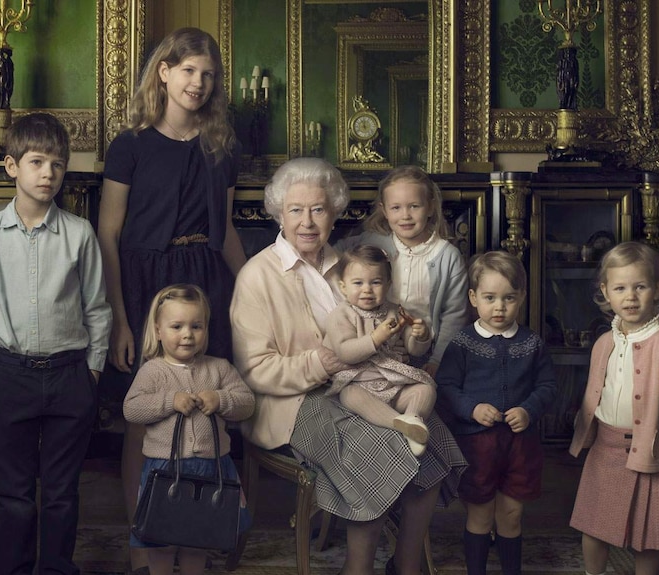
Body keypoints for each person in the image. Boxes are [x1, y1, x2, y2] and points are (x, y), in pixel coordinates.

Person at [230, 157, 467, 575]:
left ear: (334, 213)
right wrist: (318, 363)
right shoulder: (257, 276)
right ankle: (357, 569)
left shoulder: (346, 265)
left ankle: (407, 563)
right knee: (374, 449)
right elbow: (255, 371)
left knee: (435, 439)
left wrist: (410, 334)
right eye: (296, 210)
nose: (307, 221)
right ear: (278, 214)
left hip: (362, 384)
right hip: (292, 401)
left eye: (318, 209)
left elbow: (377, 335)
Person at [97, 27, 246, 572]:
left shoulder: (220, 146)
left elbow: (226, 229)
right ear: (163, 71)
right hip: (143, 283)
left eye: (207, 75)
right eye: (188, 71)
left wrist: (251, 292)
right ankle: (147, 538)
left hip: (203, 282)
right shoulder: (130, 145)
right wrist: (119, 317)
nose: (198, 83)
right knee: (146, 418)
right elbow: (108, 233)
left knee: (210, 408)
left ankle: (204, 529)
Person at [0, 112, 112, 575]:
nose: (48, 174)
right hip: (10, 376)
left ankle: (57, 569)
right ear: (12, 167)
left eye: (57, 165)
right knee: (15, 494)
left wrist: (93, 371)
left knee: (63, 493)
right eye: (37, 162)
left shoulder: (80, 236)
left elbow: (97, 309)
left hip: (70, 377)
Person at [569, 242, 659, 575]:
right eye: (620, 288)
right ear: (606, 292)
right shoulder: (605, 341)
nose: (630, 297)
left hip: (651, 453)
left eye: (640, 287)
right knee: (593, 525)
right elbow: (595, 392)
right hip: (605, 448)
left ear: (658, 290)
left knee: (649, 535)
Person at [435, 251, 557, 575]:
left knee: (511, 515)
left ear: (522, 298)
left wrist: (529, 410)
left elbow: (547, 386)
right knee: (480, 515)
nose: (499, 307)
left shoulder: (532, 343)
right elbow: (445, 386)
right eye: (490, 298)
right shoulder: (462, 343)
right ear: (474, 298)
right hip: (478, 447)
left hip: (520, 446)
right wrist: (472, 409)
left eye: (509, 298)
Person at [123, 284, 254, 575]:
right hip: (165, 470)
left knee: (198, 540)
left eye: (196, 326)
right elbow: (132, 408)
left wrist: (220, 399)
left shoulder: (218, 369)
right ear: (158, 330)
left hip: (211, 470)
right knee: (161, 541)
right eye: (177, 326)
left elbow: (246, 403)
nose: (187, 334)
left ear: (206, 329)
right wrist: (170, 401)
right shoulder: (153, 371)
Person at [338, 165, 468, 377]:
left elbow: (454, 317)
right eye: (396, 208)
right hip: (377, 343)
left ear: (430, 207)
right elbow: (335, 254)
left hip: (425, 350)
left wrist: (437, 360)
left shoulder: (448, 256)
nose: (405, 215)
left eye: (414, 206)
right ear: (384, 210)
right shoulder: (373, 242)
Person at [324, 244, 437, 457]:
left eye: (375, 282)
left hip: (395, 383)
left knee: (426, 389)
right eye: (358, 283)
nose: (367, 289)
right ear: (343, 287)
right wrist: (376, 338)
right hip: (360, 381)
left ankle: (413, 419)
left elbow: (413, 351)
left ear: (388, 285)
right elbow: (345, 352)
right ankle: (401, 424)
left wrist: (420, 336)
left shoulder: (396, 311)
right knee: (349, 395)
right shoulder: (341, 315)